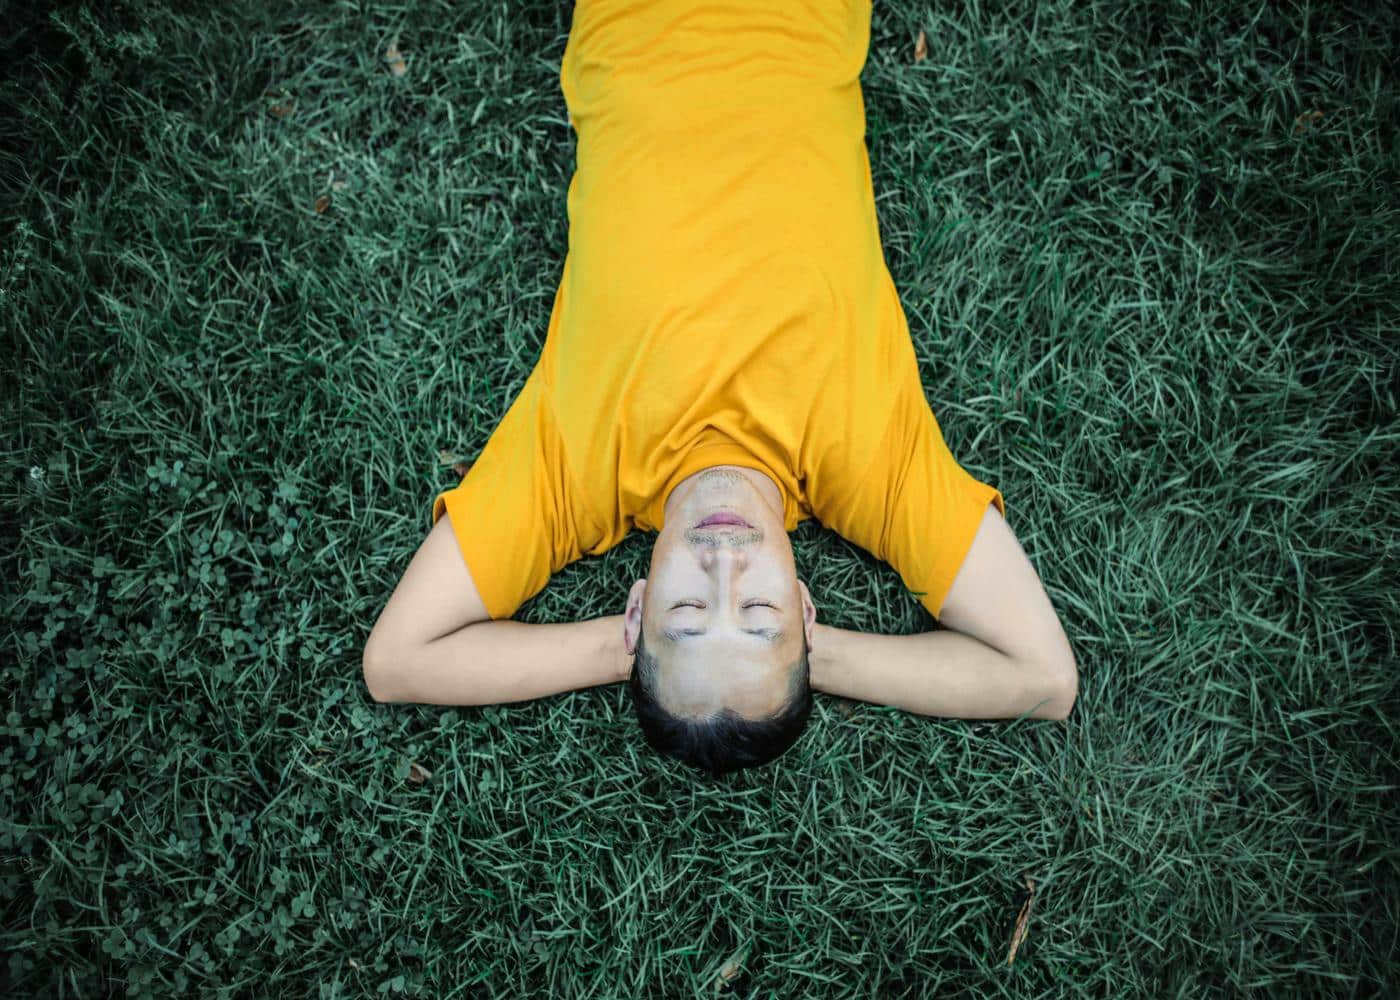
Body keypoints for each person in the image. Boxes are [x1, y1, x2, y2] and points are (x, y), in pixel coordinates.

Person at [362, 0, 1078, 775]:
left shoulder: (573, 476)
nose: (724, 562)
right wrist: (812, 655)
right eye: (763, 613)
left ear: (637, 608)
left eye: (688, 613)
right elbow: (1043, 678)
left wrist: (622, 648)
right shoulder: (870, 467)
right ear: (807, 610)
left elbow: (398, 659)